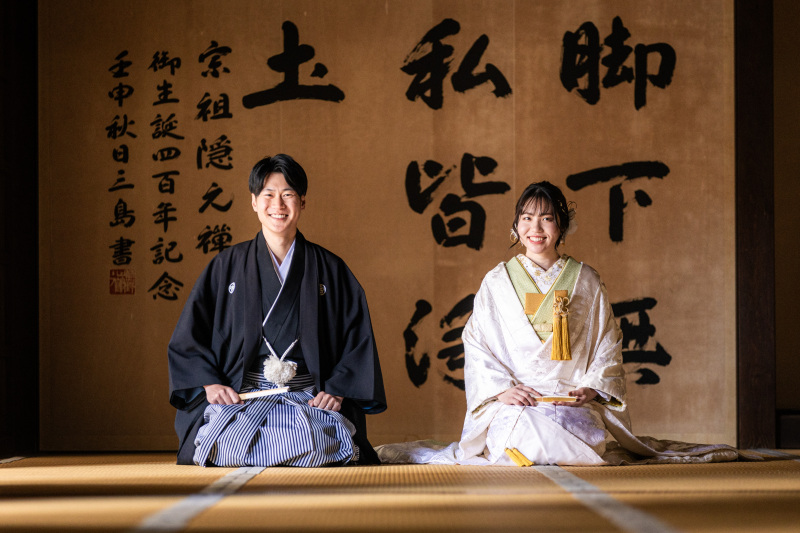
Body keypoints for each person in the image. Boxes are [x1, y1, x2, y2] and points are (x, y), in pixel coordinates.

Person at [378, 181, 739, 466]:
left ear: (562, 226)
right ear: (515, 225)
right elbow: (477, 343)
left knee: (573, 434)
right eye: (527, 218)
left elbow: (607, 343)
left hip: (573, 403)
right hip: (518, 404)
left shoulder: (586, 280)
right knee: (523, 431)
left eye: (547, 218)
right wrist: (502, 389)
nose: (536, 228)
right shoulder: (498, 281)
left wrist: (593, 390)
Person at [168, 154, 386, 467]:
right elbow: (189, 337)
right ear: (254, 202)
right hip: (243, 397)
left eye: (288, 195)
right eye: (268, 195)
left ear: (302, 203)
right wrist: (211, 383)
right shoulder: (225, 266)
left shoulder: (330, 269)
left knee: (317, 443)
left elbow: (357, 337)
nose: (278, 205)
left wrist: (337, 391)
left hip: (306, 398)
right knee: (226, 445)